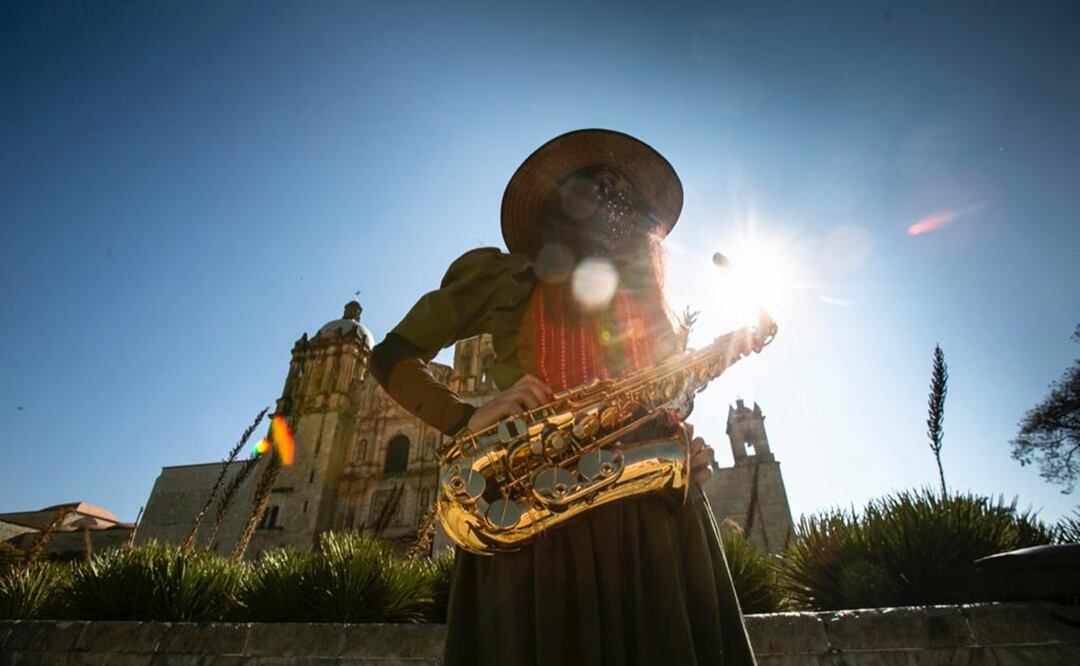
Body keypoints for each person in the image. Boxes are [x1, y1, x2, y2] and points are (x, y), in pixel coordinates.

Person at [371, 129, 757, 666]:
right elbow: (391, 355)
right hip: (536, 514)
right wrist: (464, 416)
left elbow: (659, 399)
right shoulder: (504, 279)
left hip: (652, 525)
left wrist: (682, 443)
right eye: (599, 185)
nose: (614, 198)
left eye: (624, 192)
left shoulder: (646, 305)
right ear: (563, 202)